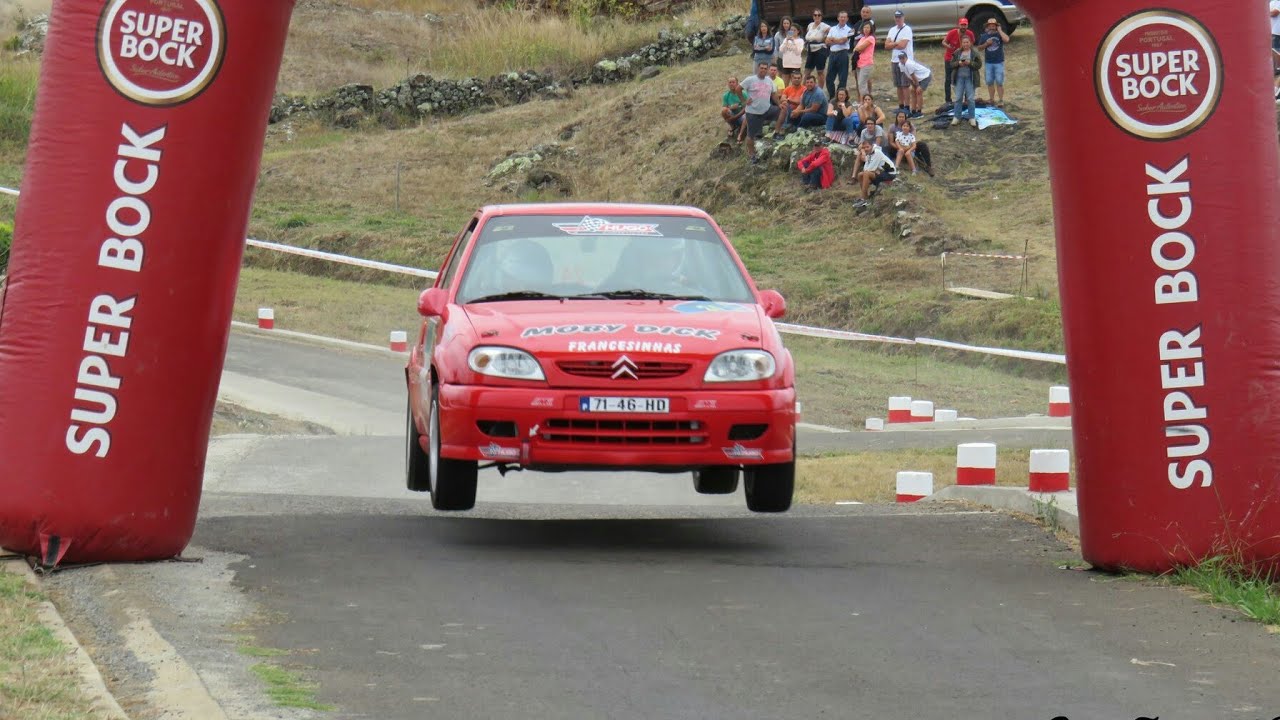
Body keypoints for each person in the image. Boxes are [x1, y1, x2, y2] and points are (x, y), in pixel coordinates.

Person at [741, 62, 780, 164]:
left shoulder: (769, 81)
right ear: (758, 68)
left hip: (766, 110)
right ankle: (752, 155)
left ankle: (777, 132)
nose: (763, 70)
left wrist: (779, 104)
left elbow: (774, 95)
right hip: (753, 112)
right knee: (751, 135)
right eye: (761, 68)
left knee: (782, 110)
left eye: (765, 68)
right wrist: (744, 100)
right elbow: (738, 89)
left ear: (767, 70)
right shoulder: (750, 79)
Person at [942, 18, 976, 106]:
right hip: (950, 58)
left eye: (965, 25)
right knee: (949, 79)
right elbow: (944, 42)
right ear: (959, 25)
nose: (963, 27)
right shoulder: (952, 32)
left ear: (967, 25)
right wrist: (949, 47)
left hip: (963, 59)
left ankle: (966, 99)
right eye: (962, 25)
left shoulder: (970, 34)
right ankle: (948, 100)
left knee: (965, 78)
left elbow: (972, 44)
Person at [885, 10, 915, 115]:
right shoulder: (892, 30)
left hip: (905, 61)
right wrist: (896, 43)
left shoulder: (907, 29)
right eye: (896, 17)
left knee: (905, 85)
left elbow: (903, 46)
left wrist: (892, 43)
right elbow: (886, 45)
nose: (898, 19)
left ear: (903, 18)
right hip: (894, 60)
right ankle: (901, 105)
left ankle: (907, 107)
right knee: (898, 85)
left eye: (900, 17)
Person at [852, 139, 895, 208]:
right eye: (864, 148)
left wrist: (874, 171)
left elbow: (870, 169)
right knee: (860, 174)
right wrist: (874, 171)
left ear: (872, 146)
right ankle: (865, 197)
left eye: (867, 147)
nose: (866, 149)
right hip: (880, 172)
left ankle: (863, 199)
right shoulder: (869, 154)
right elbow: (866, 168)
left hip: (889, 173)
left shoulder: (877, 152)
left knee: (866, 174)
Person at [949, 36, 981, 127]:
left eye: (967, 42)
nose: (966, 44)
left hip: (970, 78)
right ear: (961, 43)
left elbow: (979, 65)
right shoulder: (957, 53)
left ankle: (972, 117)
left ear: (970, 43)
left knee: (971, 99)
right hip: (959, 78)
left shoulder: (974, 53)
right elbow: (951, 64)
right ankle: (957, 117)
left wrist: (969, 63)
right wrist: (958, 63)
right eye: (964, 42)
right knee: (958, 98)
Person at [887, 109, 931, 173]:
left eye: (903, 117)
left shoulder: (911, 126)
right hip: (897, 146)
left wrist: (907, 148)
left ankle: (928, 166)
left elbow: (913, 139)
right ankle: (892, 165)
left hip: (909, 146)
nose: (901, 118)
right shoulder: (892, 127)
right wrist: (900, 148)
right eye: (899, 117)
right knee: (887, 148)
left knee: (923, 145)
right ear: (896, 118)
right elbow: (891, 142)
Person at [978, 17, 1009, 107]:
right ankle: (991, 99)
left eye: (993, 25)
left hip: (999, 62)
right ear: (988, 26)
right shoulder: (984, 36)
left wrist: (1000, 30)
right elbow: (979, 48)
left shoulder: (999, 34)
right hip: (989, 62)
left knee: (999, 81)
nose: (992, 27)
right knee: (989, 81)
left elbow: (1007, 40)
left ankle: (1001, 100)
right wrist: (986, 44)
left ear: (996, 26)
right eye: (990, 25)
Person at [824, 11, 855, 99]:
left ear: (847, 19)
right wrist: (837, 40)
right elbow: (826, 42)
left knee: (842, 78)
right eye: (841, 17)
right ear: (838, 18)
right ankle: (832, 96)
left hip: (843, 54)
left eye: (844, 17)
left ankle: (840, 97)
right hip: (832, 54)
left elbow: (843, 41)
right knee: (829, 78)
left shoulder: (849, 30)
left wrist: (833, 39)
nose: (842, 19)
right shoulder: (832, 29)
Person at [897, 53, 932, 118]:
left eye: (903, 58)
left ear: (906, 58)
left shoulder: (909, 64)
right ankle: (913, 110)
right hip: (916, 78)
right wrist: (913, 85)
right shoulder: (900, 65)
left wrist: (917, 85)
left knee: (919, 91)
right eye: (900, 59)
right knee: (912, 91)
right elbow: (907, 75)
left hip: (925, 76)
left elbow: (913, 76)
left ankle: (919, 111)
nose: (901, 60)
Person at [804, 10, 830, 92]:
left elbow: (832, 32)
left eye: (819, 15)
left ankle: (820, 91)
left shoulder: (825, 26)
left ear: (821, 17)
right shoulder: (810, 25)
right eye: (815, 15)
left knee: (820, 71)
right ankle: (804, 90)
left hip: (820, 50)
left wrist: (826, 39)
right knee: (807, 71)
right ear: (813, 16)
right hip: (810, 50)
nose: (817, 17)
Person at [775, 71, 806, 138]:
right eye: (795, 78)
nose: (797, 79)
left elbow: (801, 102)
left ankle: (782, 128)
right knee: (784, 104)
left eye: (798, 78)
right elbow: (782, 99)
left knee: (786, 105)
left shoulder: (804, 89)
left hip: (799, 112)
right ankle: (781, 129)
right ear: (791, 79)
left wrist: (789, 100)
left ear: (801, 79)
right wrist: (789, 101)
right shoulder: (787, 89)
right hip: (788, 110)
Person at [852, 21, 877, 100]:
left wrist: (857, 49)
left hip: (866, 63)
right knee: (861, 84)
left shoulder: (871, 38)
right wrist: (856, 49)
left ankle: (866, 102)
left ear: (871, 29)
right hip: (859, 63)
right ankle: (862, 102)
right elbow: (855, 49)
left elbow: (859, 48)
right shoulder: (862, 38)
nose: (866, 29)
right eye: (864, 27)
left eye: (868, 28)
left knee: (862, 84)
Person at [721, 76, 748, 143]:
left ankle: (741, 134)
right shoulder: (726, 95)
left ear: (737, 83)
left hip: (742, 115)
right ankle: (732, 126)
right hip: (732, 114)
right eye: (730, 82)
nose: (731, 84)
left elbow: (747, 107)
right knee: (724, 111)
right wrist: (730, 108)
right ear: (728, 84)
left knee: (747, 116)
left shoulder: (743, 93)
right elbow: (724, 108)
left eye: (733, 82)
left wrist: (736, 115)